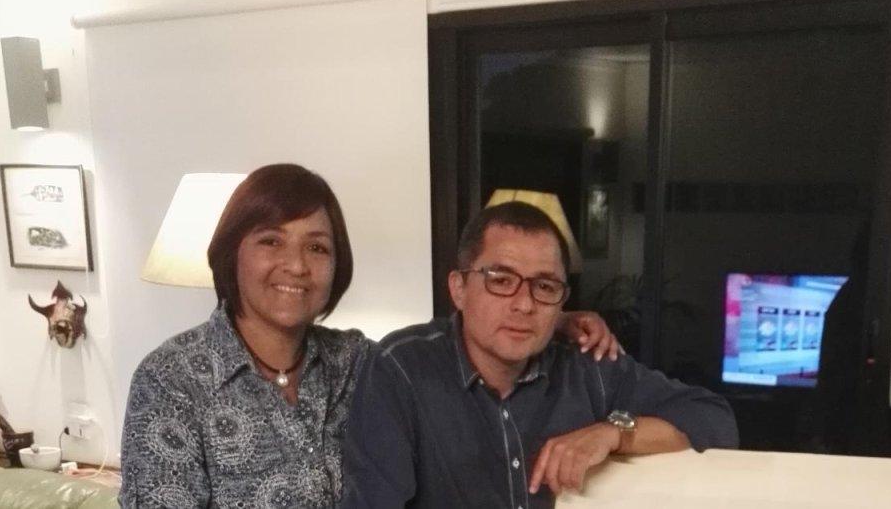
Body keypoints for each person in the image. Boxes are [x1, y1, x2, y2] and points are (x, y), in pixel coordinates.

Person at [119, 164, 620, 508]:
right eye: (271, 241)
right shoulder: (171, 381)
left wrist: (547, 319)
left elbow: (452, 341)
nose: (296, 265)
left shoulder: (356, 359)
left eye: (317, 247)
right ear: (232, 252)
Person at [341, 201, 739, 508]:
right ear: (459, 288)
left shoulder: (586, 365)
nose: (525, 304)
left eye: (544, 287)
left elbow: (714, 419)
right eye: (501, 281)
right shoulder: (401, 369)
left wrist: (612, 433)